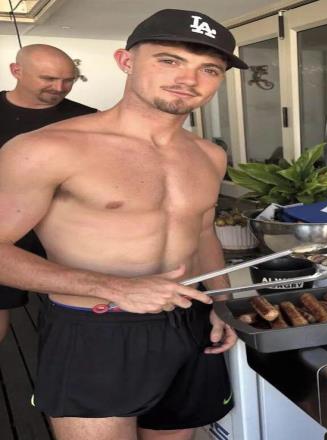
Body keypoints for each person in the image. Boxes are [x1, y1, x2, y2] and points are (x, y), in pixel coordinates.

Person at [0, 9, 248, 440]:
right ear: (126, 61)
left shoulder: (209, 154)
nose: (188, 79)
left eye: (209, 69)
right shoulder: (46, 148)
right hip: (95, 329)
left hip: (189, 320)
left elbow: (202, 229)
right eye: (169, 60)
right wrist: (113, 287)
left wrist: (223, 302)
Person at [0, 44, 97, 342]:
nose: (59, 88)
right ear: (16, 71)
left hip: (66, 230)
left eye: (68, 80)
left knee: (79, 303)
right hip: (5, 226)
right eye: (48, 79)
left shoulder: (88, 120)